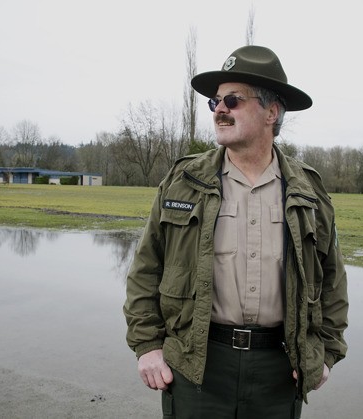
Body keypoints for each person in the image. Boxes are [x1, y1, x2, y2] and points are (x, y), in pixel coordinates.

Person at [124, 45, 348, 419]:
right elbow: (146, 269)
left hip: (279, 370)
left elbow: (332, 281)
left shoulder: (308, 191)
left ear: (272, 112)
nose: (220, 110)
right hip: (198, 366)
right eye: (215, 102)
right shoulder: (182, 182)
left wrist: (326, 353)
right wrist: (147, 345)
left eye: (233, 100)